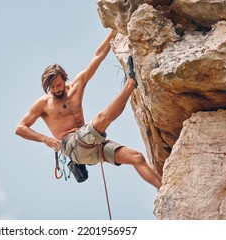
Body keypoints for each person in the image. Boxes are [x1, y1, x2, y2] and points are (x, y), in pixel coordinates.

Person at [15, 29, 162, 189]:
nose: (56, 89)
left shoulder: (77, 85)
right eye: (52, 87)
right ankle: (131, 83)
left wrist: (114, 30)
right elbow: (20, 128)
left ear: (64, 79)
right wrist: (46, 140)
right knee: (101, 119)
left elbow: (97, 57)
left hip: (92, 144)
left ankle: (162, 189)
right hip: (72, 146)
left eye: (58, 85)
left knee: (136, 157)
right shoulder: (43, 103)